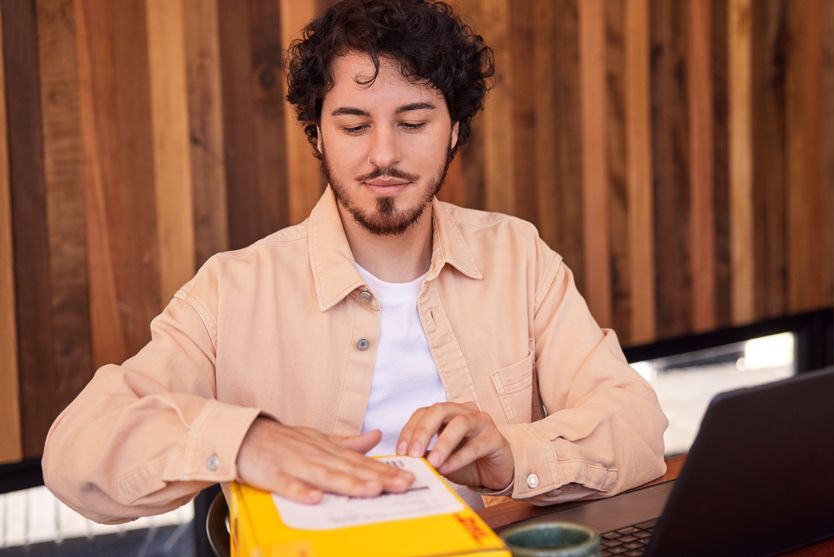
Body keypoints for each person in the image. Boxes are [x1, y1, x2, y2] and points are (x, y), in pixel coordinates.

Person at [42, 0, 667, 523]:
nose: (384, 155)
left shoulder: (518, 257)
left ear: (454, 130)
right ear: (316, 134)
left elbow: (637, 426)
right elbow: (75, 452)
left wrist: (512, 453)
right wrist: (245, 442)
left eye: (414, 121)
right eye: (353, 125)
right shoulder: (233, 291)